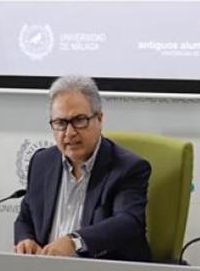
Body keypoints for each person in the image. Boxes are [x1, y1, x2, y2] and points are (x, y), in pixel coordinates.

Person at [14, 75, 151, 261]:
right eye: (60, 123)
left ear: (100, 119)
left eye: (79, 120)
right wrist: (26, 239)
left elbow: (128, 222)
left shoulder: (128, 168)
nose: (69, 133)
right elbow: (25, 217)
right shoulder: (41, 162)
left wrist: (74, 242)